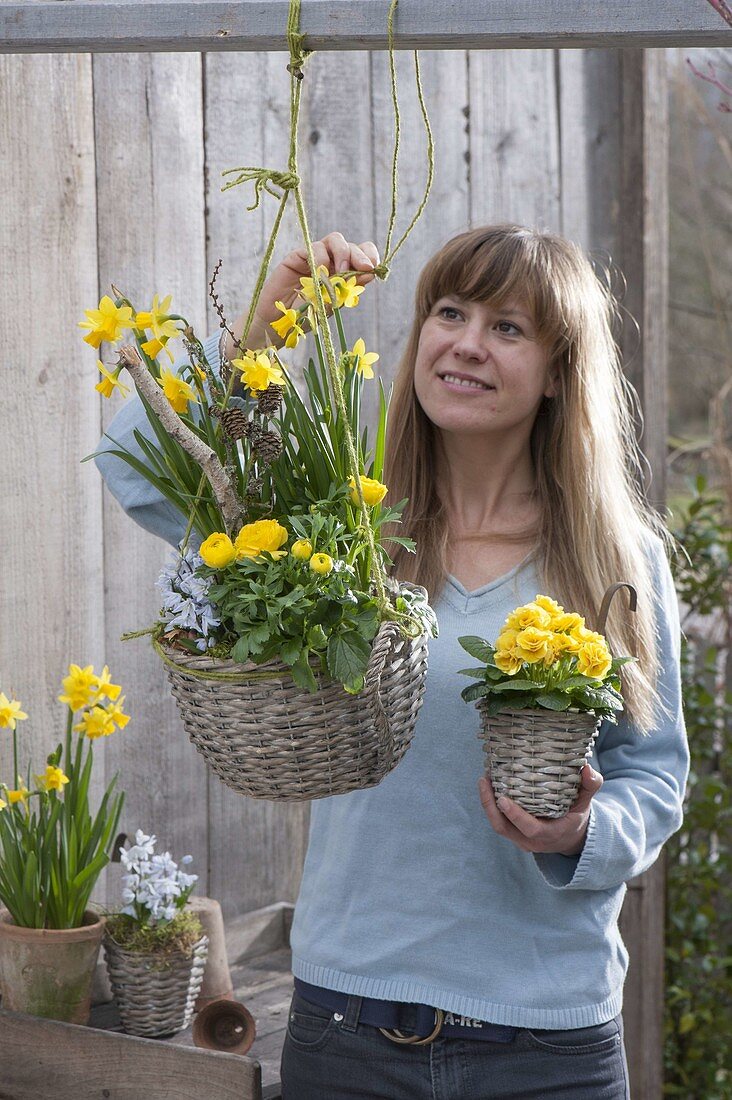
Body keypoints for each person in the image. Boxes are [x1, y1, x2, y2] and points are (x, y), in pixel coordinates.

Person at [95, 226, 689, 1100]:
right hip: (351, 1032)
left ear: (560, 369)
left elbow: (656, 777)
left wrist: (584, 835)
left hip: (549, 1042)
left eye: (509, 327)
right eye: (449, 312)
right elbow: (134, 468)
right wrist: (270, 322)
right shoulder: (341, 527)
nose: (467, 343)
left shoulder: (617, 558)